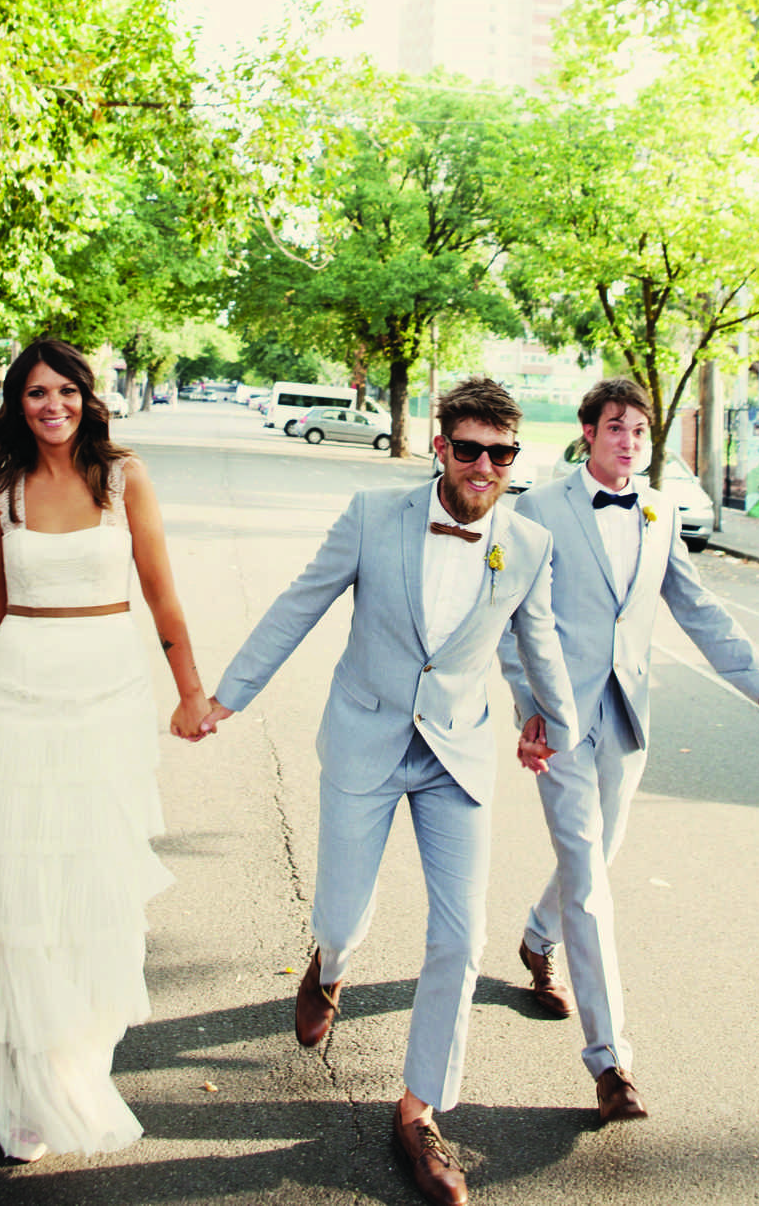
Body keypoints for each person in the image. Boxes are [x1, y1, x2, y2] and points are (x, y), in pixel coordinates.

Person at [200, 378, 578, 1206]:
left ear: (516, 459)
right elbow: (301, 602)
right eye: (470, 449)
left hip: (456, 752)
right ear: (441, 447)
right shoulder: (373, 515)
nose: (485, 467)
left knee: (461, 935)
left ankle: (418, 1112)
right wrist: (230, 693)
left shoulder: (531, 543)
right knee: (342, 914)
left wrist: (554, 722)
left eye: (502, 454)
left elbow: (538, 642)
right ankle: (329, 967)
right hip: (368, 736)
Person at [0, 337, 211, 1163]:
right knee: (20, 878)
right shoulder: (1, 493)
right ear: (17, 405)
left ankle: (76, 1053)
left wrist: (190, 690)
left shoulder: (124, 478)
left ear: (87, 397)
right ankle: (22, 1077)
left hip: (105, 695)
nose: (52, 405)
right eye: (36, 393)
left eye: (66, 391)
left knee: (88, 878)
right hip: (19, 690)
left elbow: (161, 591)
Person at [500, 376, 759, 1123]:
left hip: (628, 715)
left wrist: (758, 681)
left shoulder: (661, 512)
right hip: (563, 720)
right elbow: (512, 620)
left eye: (639, 430)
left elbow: (697, 606)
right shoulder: (538, 510)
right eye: (615, 427)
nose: (628, 440)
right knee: (589, 878)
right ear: (586, 432)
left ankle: (538, 938)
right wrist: (531, 709)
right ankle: (611, 1063)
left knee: (597, 859)